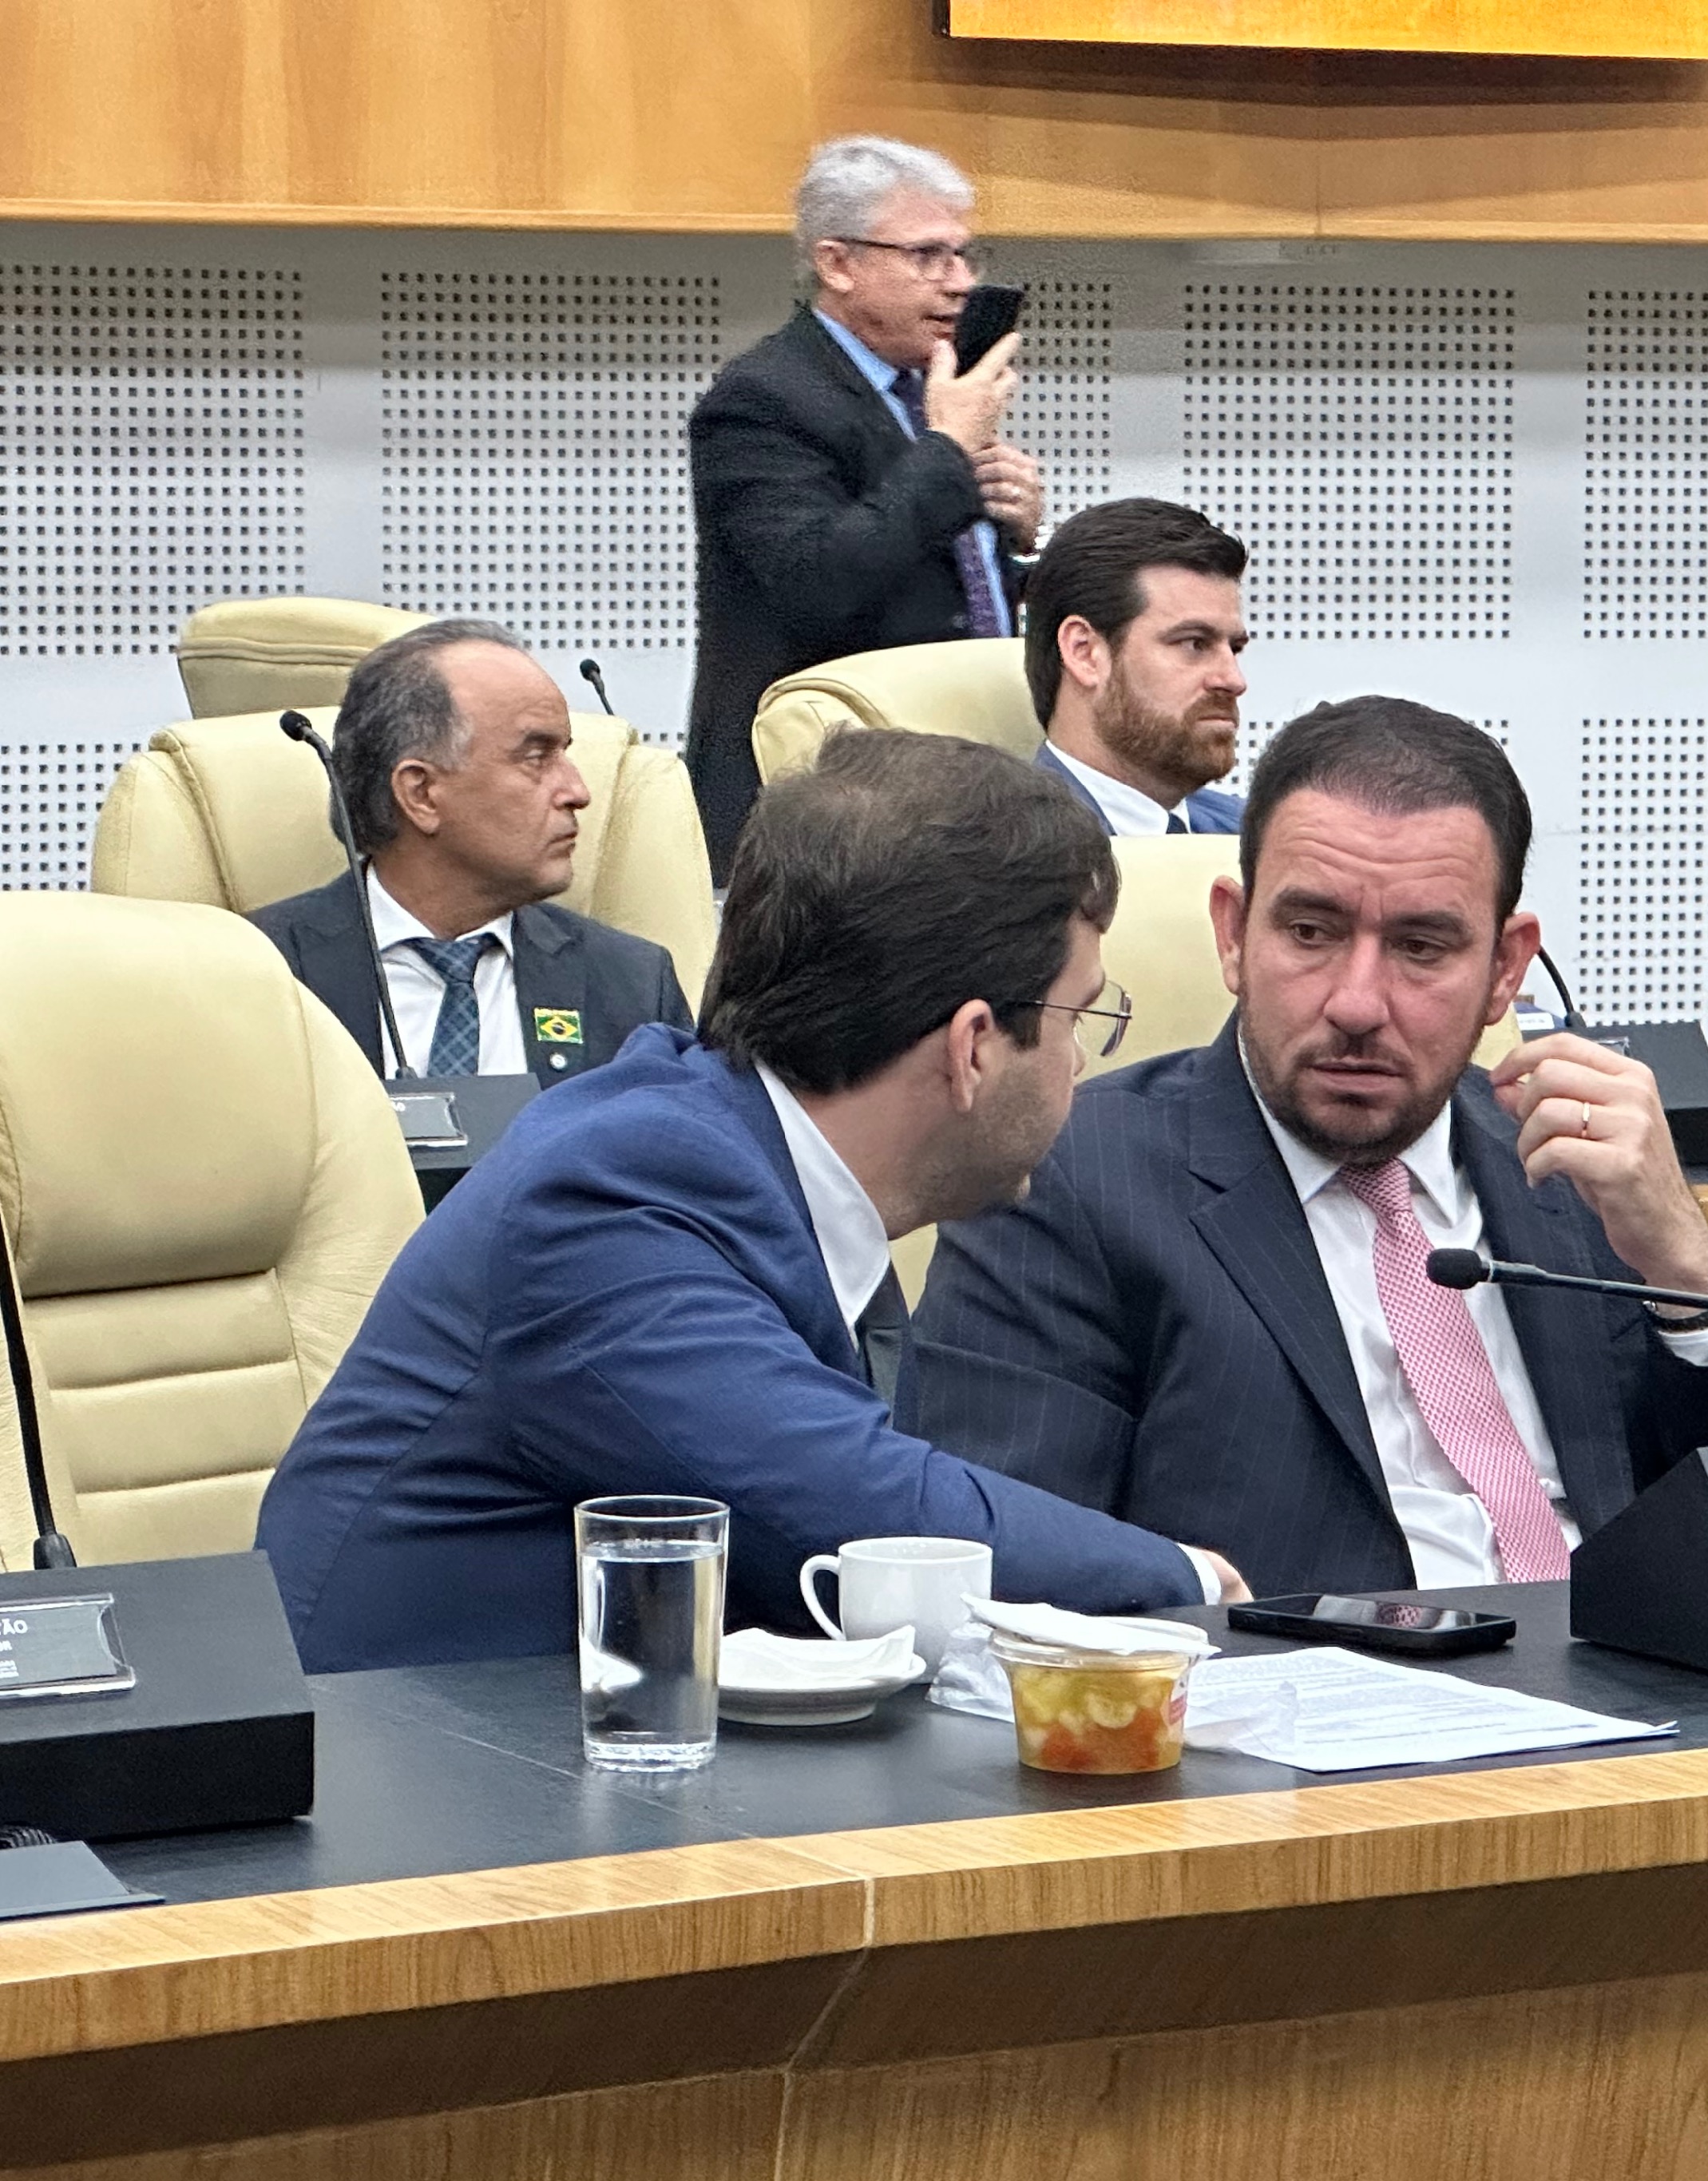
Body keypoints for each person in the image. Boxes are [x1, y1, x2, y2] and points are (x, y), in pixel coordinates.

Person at [260, 729, 1245, 1674]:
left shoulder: (755, 1166)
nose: (1080, 1062)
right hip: (405, 1771)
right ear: (973, 1047)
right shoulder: (609, 1200)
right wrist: (1192, 1583)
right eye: (1081, 1016)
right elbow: (866, 1518)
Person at [906, 696, 1708, 1594]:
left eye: (1420, 947)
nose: (1355, 1003)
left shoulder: (1571, 1174)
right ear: (1233, 934)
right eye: (1310, 932)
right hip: (1298, 1691)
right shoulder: (1063, 1179)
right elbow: (1004, 1585)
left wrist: (1687, 1277)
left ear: (1504, 969)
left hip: (1619, 1683)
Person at [686, 136, 1042, 873]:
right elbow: (818, 580)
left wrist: (1017, 543)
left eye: (964, 255)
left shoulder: (930, 393)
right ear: (837, 264)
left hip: (962, 785)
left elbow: (941, 591)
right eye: (928, 256)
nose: (960, 283)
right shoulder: (762, 400)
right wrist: (948, 451)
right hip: (826, 810)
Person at [252, 619, 692, 1085]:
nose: (578, 792)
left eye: (564, 753)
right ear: (421, 794)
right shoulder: (257, 973)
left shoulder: (632, 984)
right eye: (536, 757)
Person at [1021, 497, 1250, 836]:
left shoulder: (1260, 839)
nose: (1234, 680)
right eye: (1194, 643)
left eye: (1234, 649)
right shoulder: (998, 853)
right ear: (1085, 653)